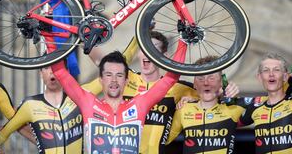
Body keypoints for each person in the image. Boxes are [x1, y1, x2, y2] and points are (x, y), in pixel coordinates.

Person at [89, 31, 239, 154]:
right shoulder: (123, 78)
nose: (147, 54)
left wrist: (226, 90)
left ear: (164, 57)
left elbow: (211, 94)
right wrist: (138, 34)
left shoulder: (177, 87)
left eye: (153, 49)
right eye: (144, 49)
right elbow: (103, 66)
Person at [50, 50, 180, 153]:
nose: (114, 80)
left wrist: (183, 42)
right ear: (100, 80)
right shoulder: (89, 103)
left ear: (126, 81)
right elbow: (60, 72)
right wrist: (49, 37)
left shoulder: (139, 104)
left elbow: (170, 78)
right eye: (108, 75)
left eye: (119, 75)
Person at [0, 65, 101, 153]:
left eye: (56, 66)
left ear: (66, 72)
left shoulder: (81, 95)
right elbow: (2, 135)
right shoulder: (30, 105)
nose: (51, 71)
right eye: (46, 67)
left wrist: (86, 43)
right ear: (40, 73)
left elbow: (110, 75)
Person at [166, 55, 249, 154]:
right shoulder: (184, 108)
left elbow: (267, 105)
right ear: (194, 84)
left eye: (211, 78)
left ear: (221, 83)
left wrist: (228, 86)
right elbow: (164, 140)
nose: (206, 83)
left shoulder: (233, 108)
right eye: (200, 78)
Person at [239, 53, 292, 153]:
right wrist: (220, 92)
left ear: (285, 77)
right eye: (266, 70)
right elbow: (226, 121)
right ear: (259, 77)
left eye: (276, 70)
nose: (271, 74)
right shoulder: (255, 107)